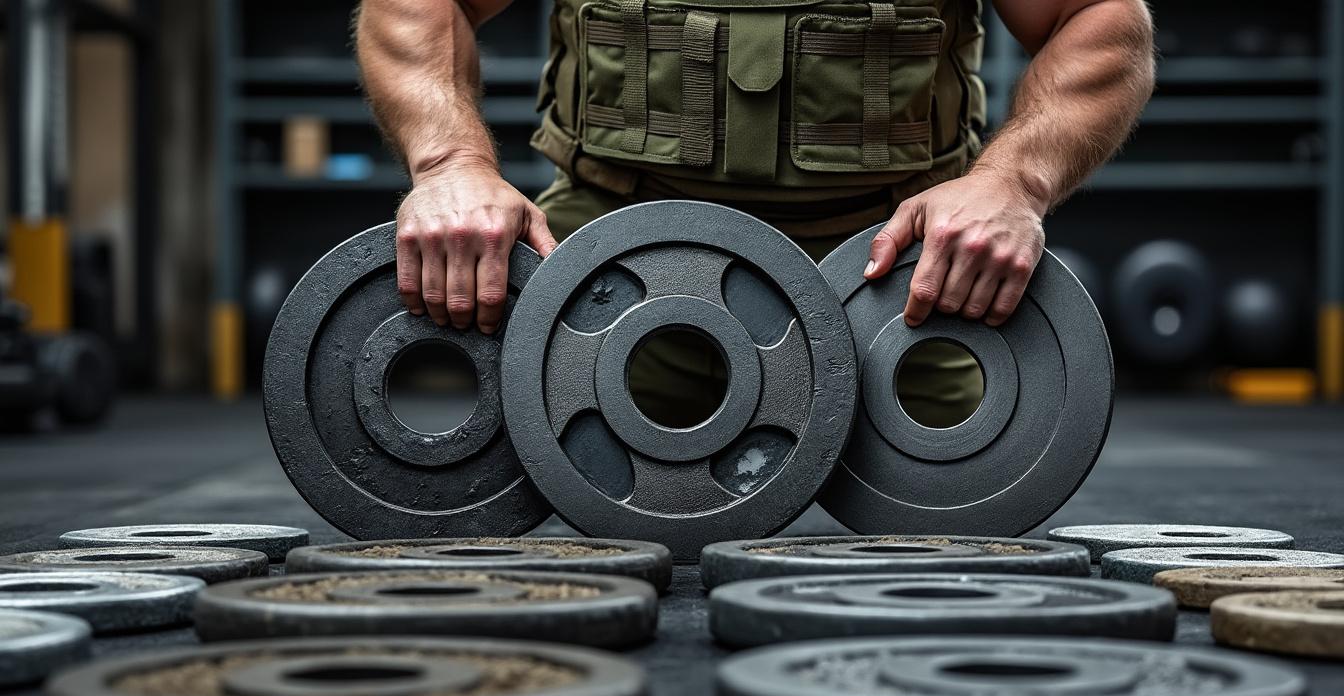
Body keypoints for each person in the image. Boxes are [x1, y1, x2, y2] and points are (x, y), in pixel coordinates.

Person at [357, 0, 1153, 424]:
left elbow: (1103, 20)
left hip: (894, 285)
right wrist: (450, 164)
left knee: (960, 528)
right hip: (609, 271)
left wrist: (1012, 184)